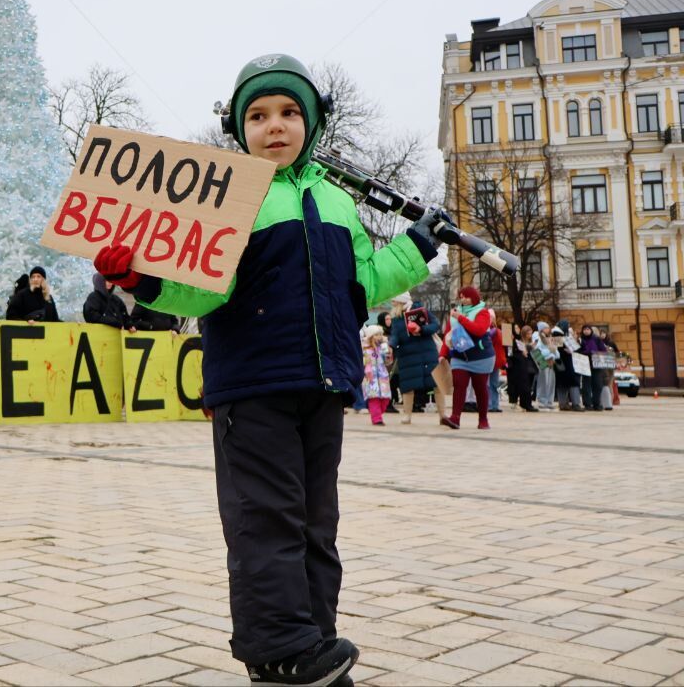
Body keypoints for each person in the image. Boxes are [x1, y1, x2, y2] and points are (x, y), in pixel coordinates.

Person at [94, 54, 438, 685]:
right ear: (238, 128)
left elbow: (361, 285)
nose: (273, 126)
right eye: (257, 115)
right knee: (266, 518)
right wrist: (141, 278)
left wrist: (413, 249)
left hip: (323, 384)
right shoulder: (227, 197)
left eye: (287, 113)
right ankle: (278, 649)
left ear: (310, 123)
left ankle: (314, 644)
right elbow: (198, 289)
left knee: (315, 523)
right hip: (251, 386)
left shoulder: (335, 201)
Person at [440, 287, 495, 430]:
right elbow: (448, 334)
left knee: (480, 387)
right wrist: (443, 354)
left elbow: (478, 330)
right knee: (459, 384)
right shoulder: (455, 313)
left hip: (480, 356)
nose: (463, 299)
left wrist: (461, 318)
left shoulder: (483, 312)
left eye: (466, 297)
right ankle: (455, 418)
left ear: (474, 298)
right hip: (460, 355)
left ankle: (483, 419)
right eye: (461, 297)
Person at [391, 300, 450, 426]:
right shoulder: (396, 318)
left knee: (436, 382)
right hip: (407, 355)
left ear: (401, 301)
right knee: (407, 385)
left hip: (427, 352)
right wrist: (391, 345)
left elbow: (435, 325)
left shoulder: (421, 311)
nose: (392, 303)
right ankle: (407, 415)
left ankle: (443, 415)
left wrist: (421, 329)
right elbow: (395, 335)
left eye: (394, 301)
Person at [361, 325, 391, 426]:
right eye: (376, 335)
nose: (379, 337)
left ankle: (377, 413)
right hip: (371, 378)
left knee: (385, 399)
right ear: (371, 336)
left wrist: (388, 353)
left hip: (383, 377)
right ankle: (377, 418)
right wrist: (366, 368)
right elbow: (362, 362)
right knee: (374, 399)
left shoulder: (381, 348)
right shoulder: (365, 349)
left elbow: (388, 362)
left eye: (380, 335)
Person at [506, 323, 538, 412]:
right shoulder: (510, 339)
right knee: (517, 385)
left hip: (523, 364)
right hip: (515, 365)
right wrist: (520, 352)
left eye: (518, 327)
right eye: (515, 328)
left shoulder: (518, 340)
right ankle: (516, 403)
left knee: (526, 385)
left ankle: (526, 404)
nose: (517, 329)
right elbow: (510, 353)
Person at [578, 325, 608, 411]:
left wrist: (596, 353)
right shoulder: (581, 340)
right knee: (586, 385)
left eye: (588, 329)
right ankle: (587, 404)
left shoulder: (596, 339)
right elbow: (578, 350)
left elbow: (603, 350)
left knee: (597, 385)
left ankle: (597, 403)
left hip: (596, 365)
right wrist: (586, 352)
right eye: (584, 329)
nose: (586, 331)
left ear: (591, 331)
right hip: (585, 364)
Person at [553, 327, 582, 411]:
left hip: (562, 366)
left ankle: (564, 404)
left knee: (563, 385)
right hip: (566, 366)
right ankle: (575, 404)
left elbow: (577, 350)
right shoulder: (560, 338)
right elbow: (556, 350)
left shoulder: (562, 338)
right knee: (571, 384)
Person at [531, 322, 558, 410]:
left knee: (551, 383)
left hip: (551, 363)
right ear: (541, 329)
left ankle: (549, 401)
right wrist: (550, 353)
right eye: (546, 328)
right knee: (543, 382)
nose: (548, 329)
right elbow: (538, 351)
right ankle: (542, 401)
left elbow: (557, 353)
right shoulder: (537, 337)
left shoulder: (549, 338)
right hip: (543, 362)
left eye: (548, 328)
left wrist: (554, 354)